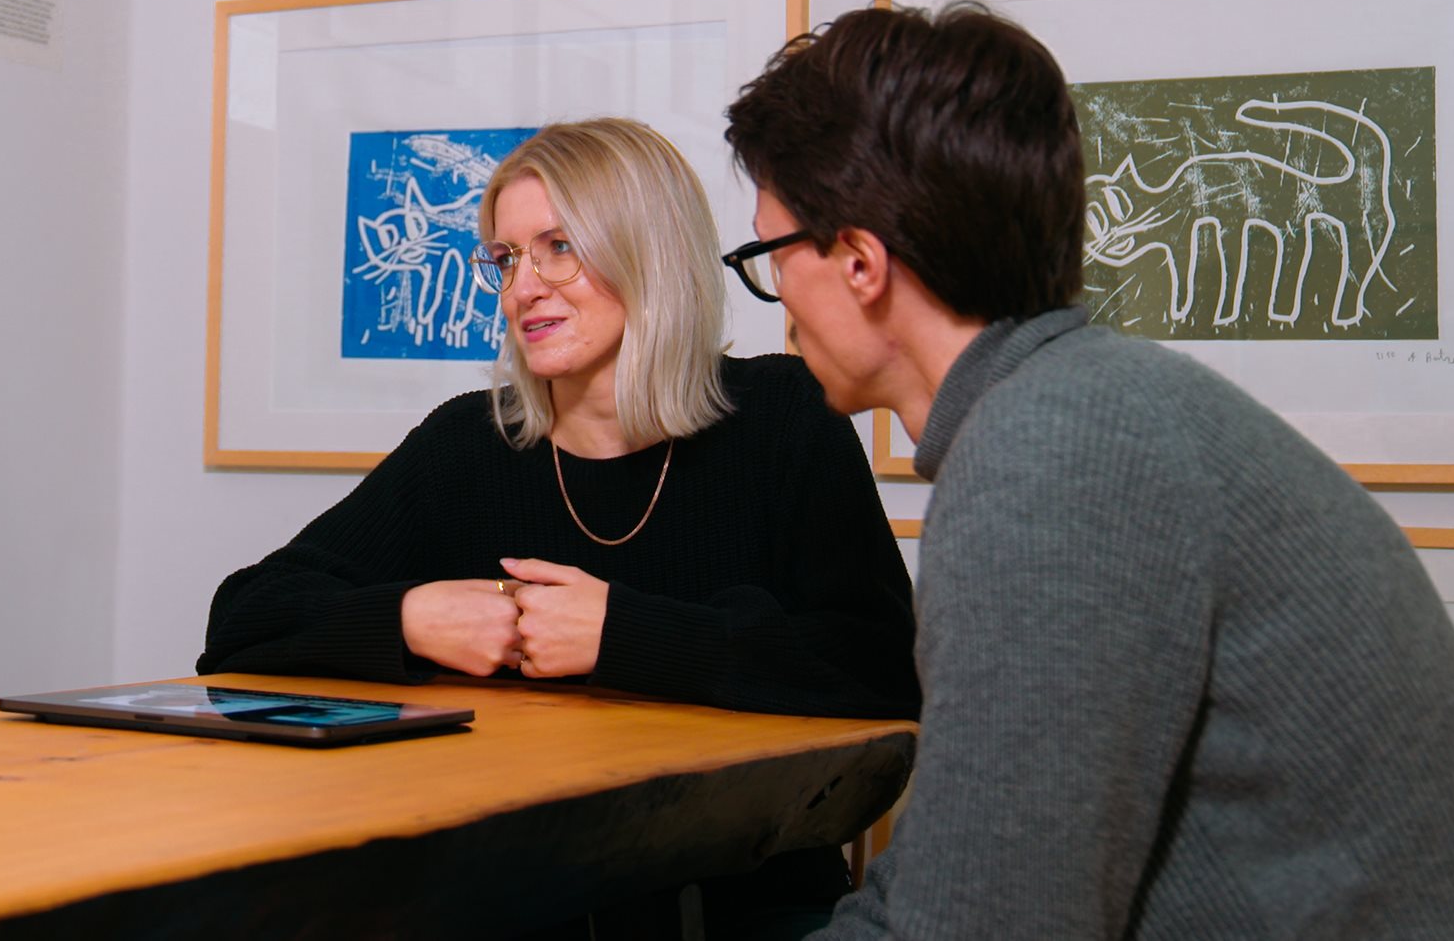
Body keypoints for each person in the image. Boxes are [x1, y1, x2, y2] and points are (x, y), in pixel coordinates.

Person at [721, 3, 1454, 939]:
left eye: (770, 254)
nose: (777, 295)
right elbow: (961, 855)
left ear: (860, 261)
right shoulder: (1077, 408)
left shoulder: (1050, 459)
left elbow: (987, 923)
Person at [200, 117, 918, 932]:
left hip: (739, 904)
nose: (521, 289)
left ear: (648, 251)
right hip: (508, 902)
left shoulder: (784, 418)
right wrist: (410, 619)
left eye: (558, 248)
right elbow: (243, 619)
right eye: (506, 260)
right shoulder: (470, 441)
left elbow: (879, 671)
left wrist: (624, 634)